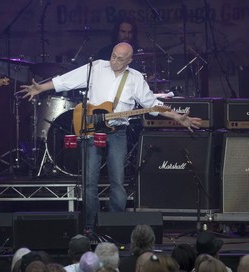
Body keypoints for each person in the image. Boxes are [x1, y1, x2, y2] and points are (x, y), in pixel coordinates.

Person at [20, 42, 202, 231]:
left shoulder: (135, 78)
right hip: (92, 131)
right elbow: (66, 80)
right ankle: (91, 225)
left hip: (117, 133)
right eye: (113, 56)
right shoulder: (97, 67)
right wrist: (40, 88)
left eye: (120, 58)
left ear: (130, 60)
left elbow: (153, 104)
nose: (114, 60)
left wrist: (178, 117)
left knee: (118, 181)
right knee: (89, 181)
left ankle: (115, 224)